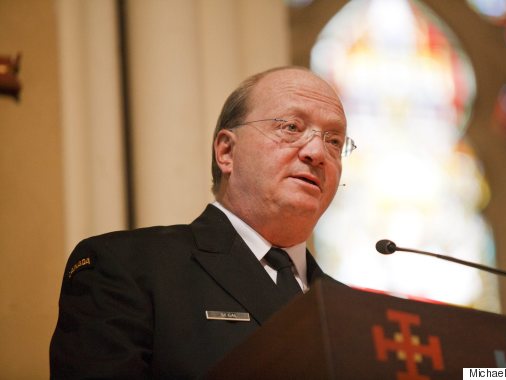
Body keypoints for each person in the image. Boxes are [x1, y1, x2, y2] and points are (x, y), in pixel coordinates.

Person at [49, 66, 356, 378]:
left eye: (334, 141)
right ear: (226, 151)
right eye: (291, 127)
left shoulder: (354, 314)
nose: (318, 152)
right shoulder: (127, 266)